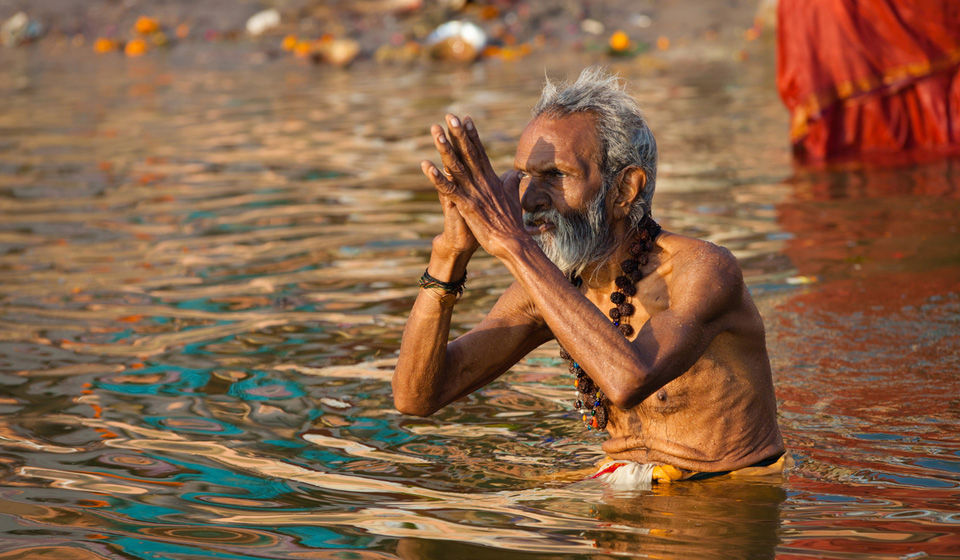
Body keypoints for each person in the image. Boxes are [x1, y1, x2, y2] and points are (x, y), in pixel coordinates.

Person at [392, 67, 785, 487]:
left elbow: (629, 379)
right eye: (524, 175)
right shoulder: (553, 284)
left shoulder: (703, 271)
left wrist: (512, 243)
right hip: (622, 488)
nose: (528, 199)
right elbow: (416, 397)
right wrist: (448, 255)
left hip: (730, 496)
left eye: (555, 176)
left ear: (624, 190)